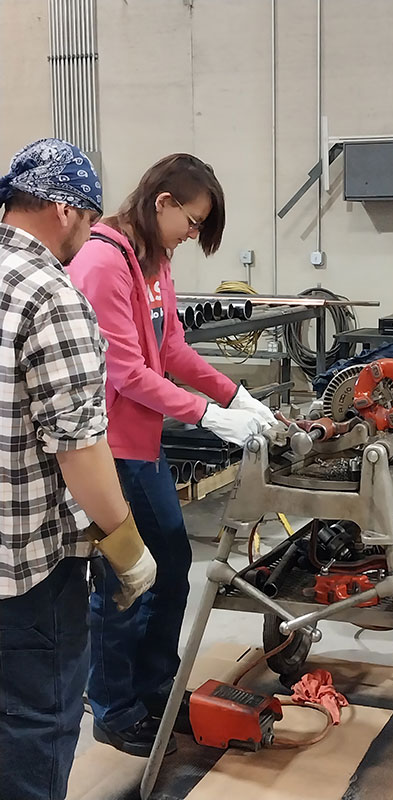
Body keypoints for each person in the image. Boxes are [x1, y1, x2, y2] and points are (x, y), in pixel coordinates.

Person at [68, 153, 274, 757]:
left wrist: (238, 396)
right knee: (126, 580)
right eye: (192, 221)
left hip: (144, 445)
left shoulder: (154, 262)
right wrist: (210, 417)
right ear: (162, 202)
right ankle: (113, 706)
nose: (191, 235)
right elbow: (127, 371)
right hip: (107, 451)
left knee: (173, 564)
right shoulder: (104, 262)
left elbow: (173, 350)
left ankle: (157, 687)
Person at [0, 138, 157, 800]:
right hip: (25, 574)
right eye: (89, 221)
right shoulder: (50, 294)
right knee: (36, 722)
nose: (86, 237)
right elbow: (79, 450)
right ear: (64, 210)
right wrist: (127, 546)